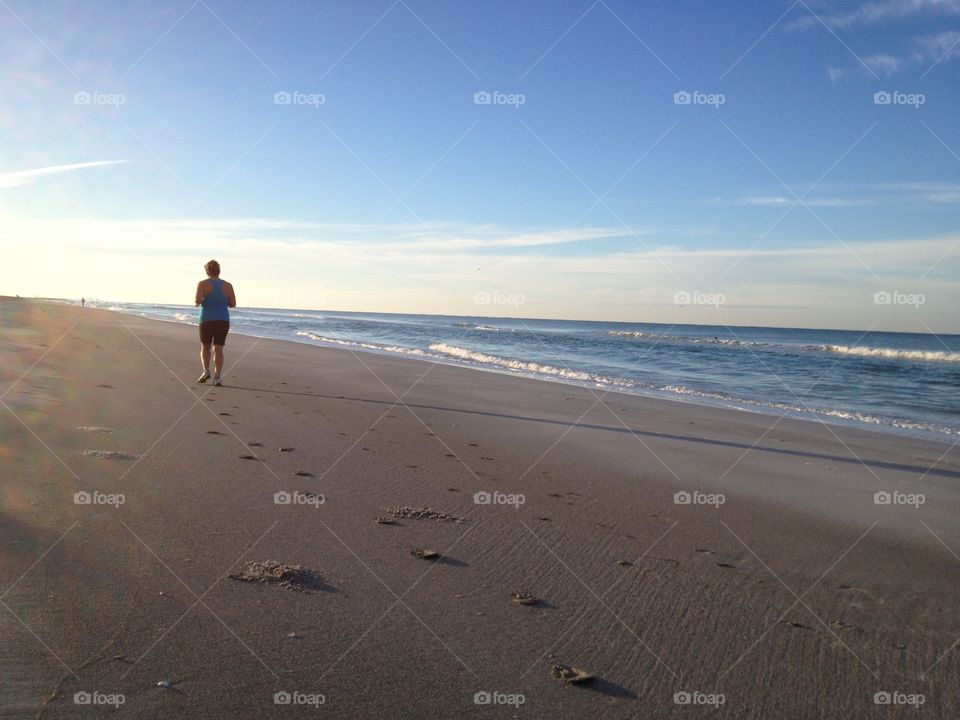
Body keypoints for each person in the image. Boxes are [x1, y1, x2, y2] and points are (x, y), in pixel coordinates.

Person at [195, 260, 236, 386]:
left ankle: (206, 371)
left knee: (205, 346)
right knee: (218, 348)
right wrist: (222, 301)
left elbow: (197, 301)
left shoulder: (202, 284)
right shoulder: (228, 285)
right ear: (219, 270)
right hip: (222, 319)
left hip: (206, 318)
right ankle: (217, 377)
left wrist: (204, 300)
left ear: (207, 271)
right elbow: (233, 304)